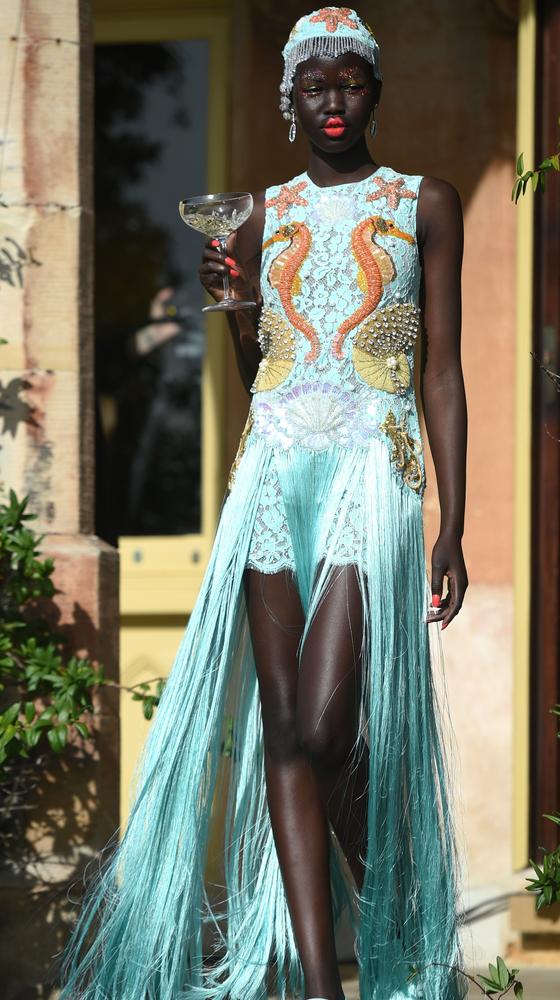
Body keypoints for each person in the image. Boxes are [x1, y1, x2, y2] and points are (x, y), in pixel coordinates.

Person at [58, 9, 469, 1000]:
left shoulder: (424, 203)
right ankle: (326, 985)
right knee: (287, 730)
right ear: (289, 93)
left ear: (375, 88)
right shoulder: (256, 214)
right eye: (315, 82)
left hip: (373, 473)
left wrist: (453, 522)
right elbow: (263, 373)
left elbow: (441, 374)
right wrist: (237, 309)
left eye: (352, 80)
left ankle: (402, 928)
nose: (334, 98)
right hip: (272, 471)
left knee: (328, 731)